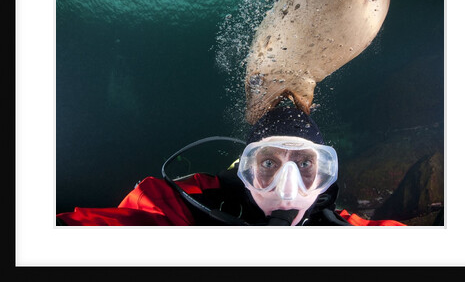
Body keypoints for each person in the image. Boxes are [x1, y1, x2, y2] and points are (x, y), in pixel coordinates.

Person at [56, 105, 406, 226]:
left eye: (305, 164)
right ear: (247, 167)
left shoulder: (341, 227)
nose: (287, 187)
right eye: (269, 162)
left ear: (324, 173)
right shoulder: (187, 204)